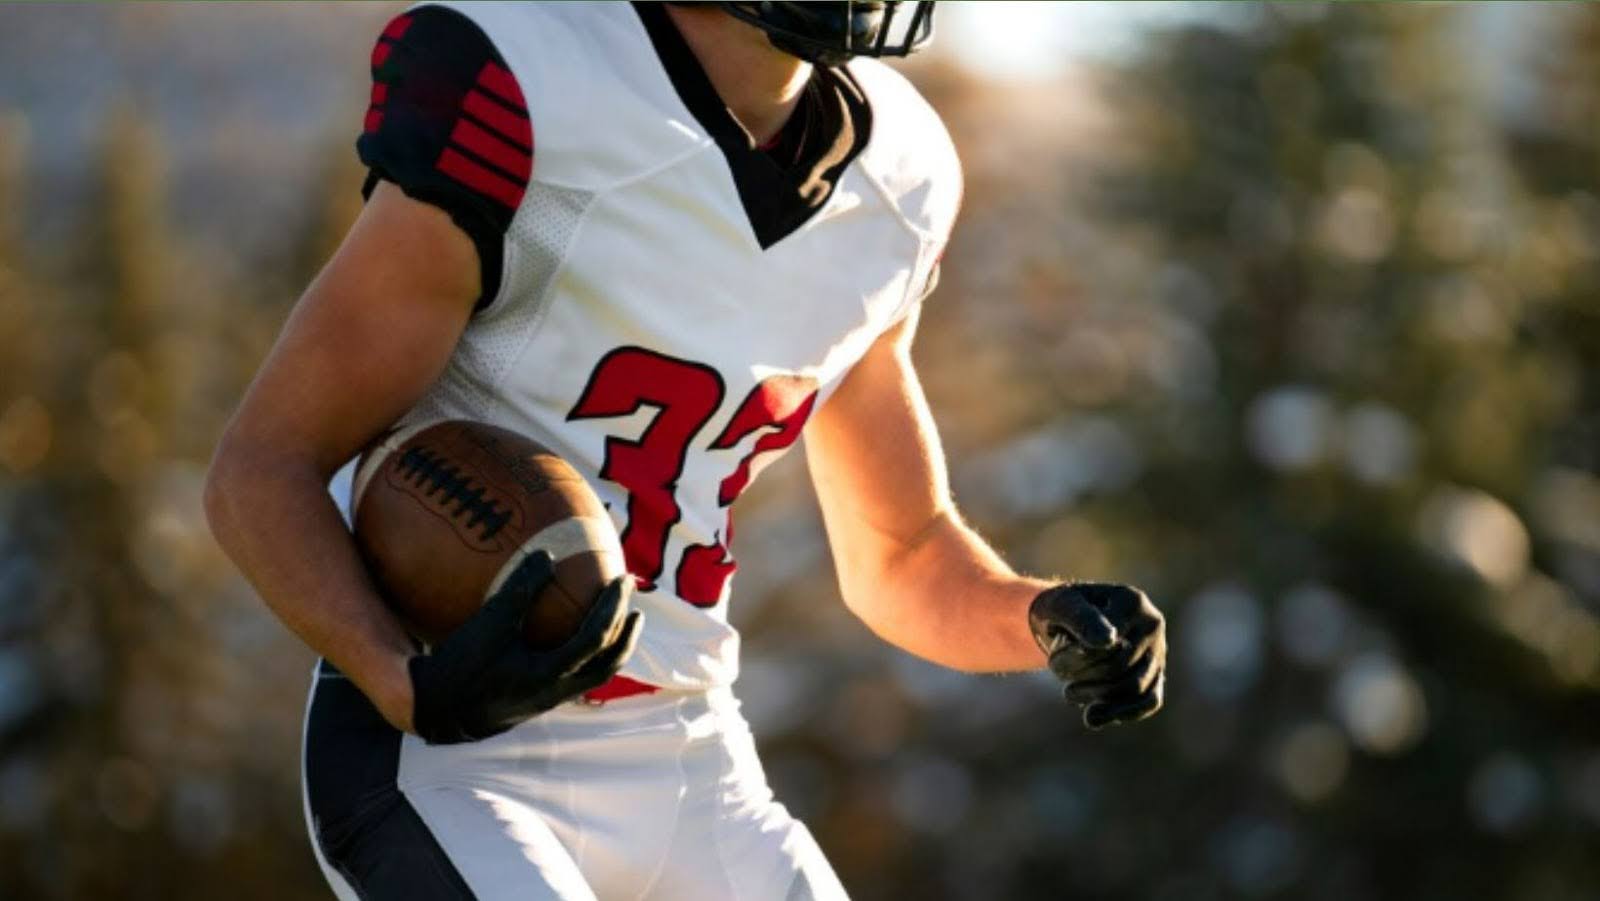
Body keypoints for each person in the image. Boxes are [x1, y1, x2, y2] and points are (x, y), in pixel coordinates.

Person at [203, 2, 1168, 899]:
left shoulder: (898, 177)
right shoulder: (532, 87)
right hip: (457, 756)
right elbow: (264, 466)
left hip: (695, 754)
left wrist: (1036, 617)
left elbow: (900, 553)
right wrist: (398, 677)